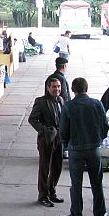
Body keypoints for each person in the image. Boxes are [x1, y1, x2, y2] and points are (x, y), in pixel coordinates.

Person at [59, 77, 109, 216]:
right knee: (97, 182)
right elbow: (105, 126)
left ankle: (76, 214)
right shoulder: (96, 104)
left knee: (76, 184)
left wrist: (67, 143)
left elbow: (63, 130)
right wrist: (98, 139)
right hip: (94, 148)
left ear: (73, 90)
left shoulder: (68, 106)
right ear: (86, 88)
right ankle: (99, 214)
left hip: (75, 149)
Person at [28, 78, 65, 208]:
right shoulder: (41, 102)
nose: (57, 89)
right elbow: (32, 119)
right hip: (46, 140)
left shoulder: (61, 101)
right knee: (45, 168)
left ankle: (51, 191)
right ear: (48, 88)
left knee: (57, 166)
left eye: (59, 86)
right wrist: (44, 130)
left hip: (59, 138)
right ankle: (43, 196)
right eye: (54, 87)